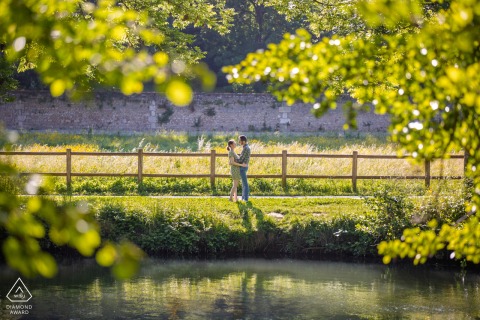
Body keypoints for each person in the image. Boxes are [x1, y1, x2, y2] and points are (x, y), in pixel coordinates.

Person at [236, 135, 251, 201]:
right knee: (243, 183)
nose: (239, 142)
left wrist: (234, 160)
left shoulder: (246, 148)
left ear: (243, 141)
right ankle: (243, 198)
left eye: (240, 141)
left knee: (245, 184)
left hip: (243, 167)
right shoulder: (246, 147)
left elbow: (241, 159)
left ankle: (246, 199)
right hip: (243, 166)